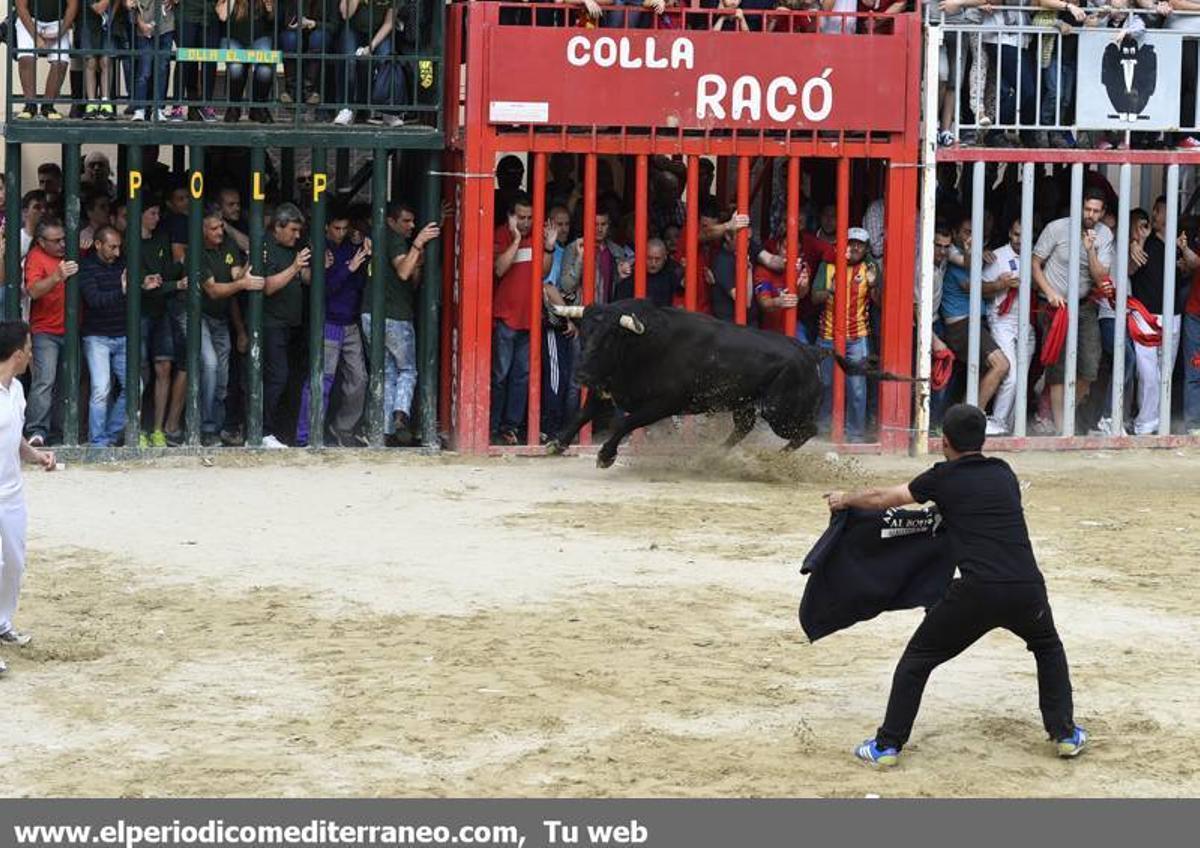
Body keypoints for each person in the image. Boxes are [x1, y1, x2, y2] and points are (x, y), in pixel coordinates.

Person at [825, 403, 1087, 767]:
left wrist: (845, 498)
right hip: (1027, 587)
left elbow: (883, 499)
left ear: (943, 441)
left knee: (917, 660)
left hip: (977, 591)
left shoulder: (942, 478)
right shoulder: (1003, 473)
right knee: (1047, 647)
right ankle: (1065, 734)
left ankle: (887, 745)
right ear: (983, 439)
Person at [0, 320, 59, 674]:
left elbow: (13, 437)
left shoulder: (17, 391)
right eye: (30, 348)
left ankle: (3, 623)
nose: (32, 354)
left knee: (15, 564)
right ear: (18, 354)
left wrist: (35, 456)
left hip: (12, 493)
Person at [296, 209, 369, 447]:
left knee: (359, 379)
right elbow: (323, 291)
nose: (341, 233)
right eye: (336, 228)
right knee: (321, 380)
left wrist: (363, 258)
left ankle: (342, 428)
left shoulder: (351, 247)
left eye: (344, 228)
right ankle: (307, 435)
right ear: (326, 227)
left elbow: (358, 285)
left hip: (350, 323)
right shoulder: (321, 250)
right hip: (329, 323)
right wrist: (347, 268)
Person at [260, 203, 312, 448]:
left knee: (290, 379)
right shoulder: (266, 246)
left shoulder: (295, 247)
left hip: (294, 324)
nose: (297, 235)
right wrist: (294, 267)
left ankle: (281, 430)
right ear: (278, 227)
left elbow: (308, 279)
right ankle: (263, 431)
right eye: (292, 230)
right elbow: (268, 286)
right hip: (272, 324)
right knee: (277, 378)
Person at [23, 219, 77, 447]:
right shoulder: (36, 256)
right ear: (42, 242)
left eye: (64, 239)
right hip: (45, 329)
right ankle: (37, 431)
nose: (62, 244)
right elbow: (33, 291)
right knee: (44, 382)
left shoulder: (73, 249)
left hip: (72, 328)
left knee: (68, 382)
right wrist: (56, 276)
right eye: (56, 241)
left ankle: (61, 432)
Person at [80, 227, 130, 447]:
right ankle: (98, 442)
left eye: (119, 246)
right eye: (112, 247)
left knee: (134, 386)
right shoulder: (87, 267)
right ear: (98, 245)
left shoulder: (122, 264)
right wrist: (122, 291)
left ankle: (108, 434)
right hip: (97, 336)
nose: (117, 252)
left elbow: (129, 291)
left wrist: (142, 285)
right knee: (101, 389)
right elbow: (95, 300)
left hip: (122, 334)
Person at [12, 0, 77, 120]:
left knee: (61, 62)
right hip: (29, 20)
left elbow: (72, 6)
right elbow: (21, 7)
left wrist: (60, 33)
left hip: (58, 21)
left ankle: (48, 105)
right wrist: (36, 37)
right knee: (26, 58)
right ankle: (30, 105)